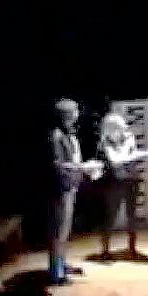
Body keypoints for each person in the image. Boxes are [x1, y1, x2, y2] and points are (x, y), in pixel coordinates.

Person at [94, 103, 148, 262]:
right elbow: (114, 161)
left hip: (131, 180)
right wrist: (129, 156)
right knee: (110, 216)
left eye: (123, 127)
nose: (122, 130)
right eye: (118, 128)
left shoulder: (129, 137)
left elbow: (132, 154)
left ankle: (132, 248)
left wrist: (138, 154)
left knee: (132, 215)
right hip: (113, 182)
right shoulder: (104, 142)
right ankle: (105, 250)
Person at [47, 98, 89, 284]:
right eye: (75, 111)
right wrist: (80, 167)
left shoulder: (68, 134)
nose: (78, 114)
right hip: (61, 188)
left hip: (70, 186)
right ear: (66, 114)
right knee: (59, 231)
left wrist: (82, 168)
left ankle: (61, 264)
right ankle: (56, 273)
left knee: (65, 230)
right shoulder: (56, 136)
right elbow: (57, 164)